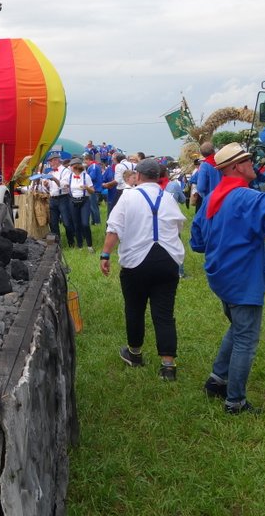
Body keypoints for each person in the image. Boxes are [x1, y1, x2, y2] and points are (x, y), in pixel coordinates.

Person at [190, 143, 265, 415]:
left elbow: (197, 242)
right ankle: (235, 402)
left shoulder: (213, 198)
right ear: (236, 167)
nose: (252, 163)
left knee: (237, 328)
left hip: (221, 277)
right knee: (246, 339)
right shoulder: (245, 196)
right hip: (243, 279)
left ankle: (217, 380)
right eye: (247, 159)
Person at [99, 158, 187, 381]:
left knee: (134, 308)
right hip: (167, 260)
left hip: (136, 262)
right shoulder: (168, 198)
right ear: (158, 177)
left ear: (137, 176)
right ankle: (168, 365)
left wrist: (105, 254)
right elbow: (178, 226)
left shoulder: (128, 196)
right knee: (164, 313)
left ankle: (135, 354)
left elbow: (114, 228)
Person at [67, 157, 95, 249]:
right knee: (76, 224)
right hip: (73, 201)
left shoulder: (86, 176)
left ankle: (89, 245)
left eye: (71, 166)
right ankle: (80, 245)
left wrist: (86, 188)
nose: (70, 167)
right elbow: (64, 186)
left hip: (84, 201)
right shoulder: (69, 176)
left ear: (75, 166)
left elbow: (92, 191)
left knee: (85, 224)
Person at [45, 155, 72, 245]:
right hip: (53, 199)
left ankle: (71, 242)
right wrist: (46, 185)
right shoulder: (51, 172)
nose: (50, 164)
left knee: (66, 222)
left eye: (51, 162)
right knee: (53, 223)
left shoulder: (66, 171)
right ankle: (57, 244)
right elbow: (50, 188)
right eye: (49, 162)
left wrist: (54, 179)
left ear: (56, 160)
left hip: (63, 198)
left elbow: (65, 185)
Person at [190, 142, 219, 207]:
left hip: (210, 201)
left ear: (202, 154)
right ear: (213, 150)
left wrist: (204, 197)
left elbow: (200, 187)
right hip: (224, 199)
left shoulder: (204, 166)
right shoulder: (222, 162)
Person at [84, 152, 105, 225]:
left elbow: (92, 177)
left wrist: (85, 179)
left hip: (95, 189)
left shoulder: (93, 166)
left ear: (88, 159)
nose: (85, 162)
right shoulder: (94, 166)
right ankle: (94, 221)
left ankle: (97, 222)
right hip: (94, 188)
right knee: (92, 206)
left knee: (94, 206)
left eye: (85, 161)